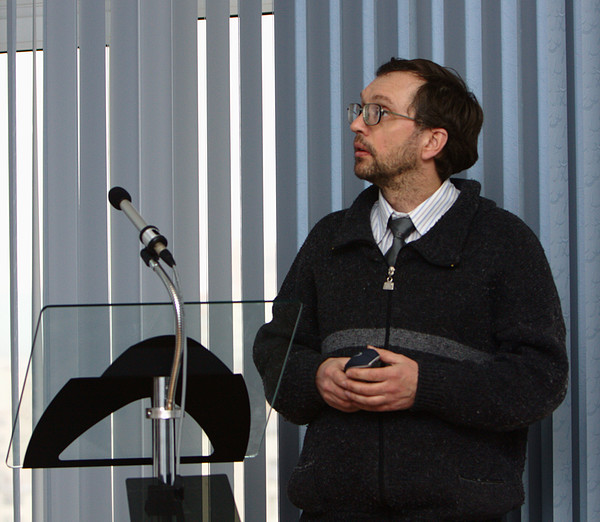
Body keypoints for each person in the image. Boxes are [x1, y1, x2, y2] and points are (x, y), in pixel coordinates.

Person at [253, 57, 568, 521]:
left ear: (432, 141)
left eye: (378, 112)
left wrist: (426, 386)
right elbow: (276, 348)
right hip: (331, 512)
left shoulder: (504, 241)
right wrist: (316, 377)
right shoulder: (329, 239)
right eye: (359, 109)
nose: (357, 124)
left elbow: (541, 379)